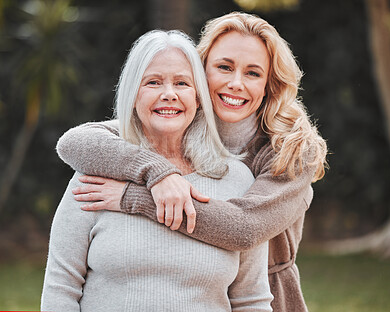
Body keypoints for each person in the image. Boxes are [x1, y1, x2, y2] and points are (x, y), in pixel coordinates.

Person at [56, 12, 327, 312]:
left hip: (270, 294)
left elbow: (245, 229)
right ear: (201, 74)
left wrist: (132, 197)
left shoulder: (292, 151)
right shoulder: (171, 119)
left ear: (268, 84)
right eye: (224, 67)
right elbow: (75, 142)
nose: (236, 83)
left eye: (253, 73)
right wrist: (158, 172)